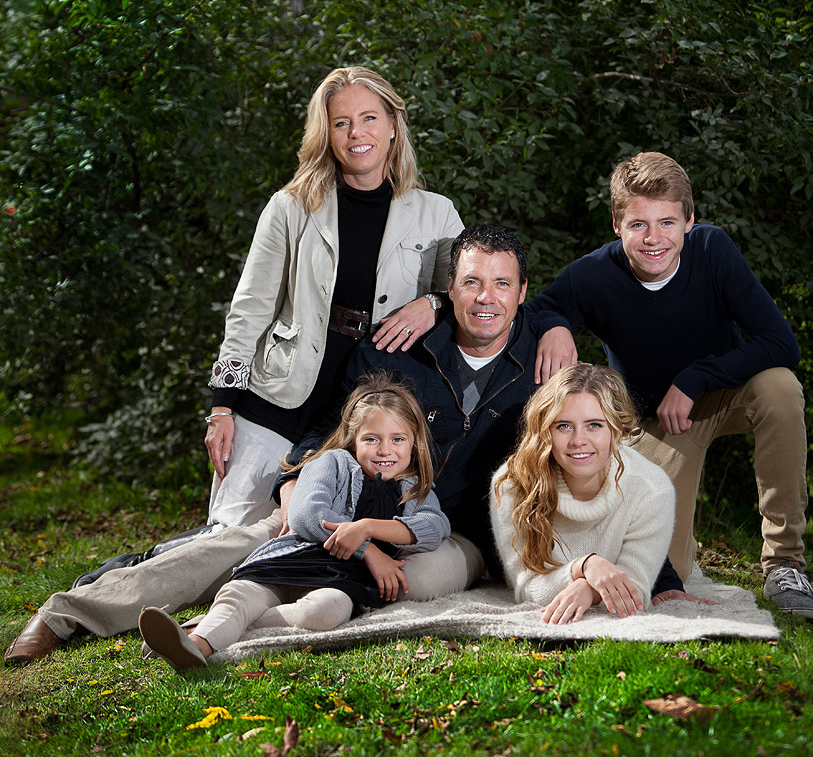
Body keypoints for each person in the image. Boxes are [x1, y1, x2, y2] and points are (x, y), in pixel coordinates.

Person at [2, 224, 678, 665]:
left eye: (501, 284)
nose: (485, 299)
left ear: (522, 293)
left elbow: (595, 458)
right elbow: (331, 422)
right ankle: (70, 616)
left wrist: (661, 575)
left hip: (454, 534)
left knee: (424, 579)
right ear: (448, 289)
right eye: (470, 282)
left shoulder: (544, 362)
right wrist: (300, 478)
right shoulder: (401, 346)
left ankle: (248, 623)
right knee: (244, 542)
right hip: (346, 502)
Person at [525, 151, 812, 619]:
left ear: (690, 222)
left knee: (780, 387)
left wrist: (697, 377)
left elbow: (781, 344)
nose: (654, 239)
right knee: (662, 572)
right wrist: (556, 324)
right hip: (660, 420)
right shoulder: (593, 274)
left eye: (668, 223)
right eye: (638, 224)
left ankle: (784, 562)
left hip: (726, 394)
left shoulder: (712, 250)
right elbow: (534, 310)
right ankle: (683, 545)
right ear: (617, 223)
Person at [205, 64, 462, 526]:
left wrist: (434, 303)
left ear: (392, 126)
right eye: (341, 123)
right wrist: (222, 407)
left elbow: (468, 296)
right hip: (281, 390)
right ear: (326, 135)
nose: (355, 133)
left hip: (366, 406)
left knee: (318, 530)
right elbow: (249, 309)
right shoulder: (290, 206)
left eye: (368, 118)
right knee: (234, 526)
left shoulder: (437, 213)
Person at [138, 375, 449, 671]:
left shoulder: (414, 487)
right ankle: (194, 647)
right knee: (244, 595)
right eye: (371, 439)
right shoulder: (332, 461)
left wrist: (365, 527)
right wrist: (369, 551)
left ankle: (211, 625)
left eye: (398, 439)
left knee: (328, 611)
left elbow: (435, 527)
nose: (385, 450)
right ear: (353, 440)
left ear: (414, 444)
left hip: (339, 580)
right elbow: (305, 515)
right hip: (288, 561)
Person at [490, 364, 675, 624]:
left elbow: (635, 595)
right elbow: (526, 588)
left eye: (594, 425)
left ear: (617, 429)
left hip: (649, 539)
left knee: (683, 570)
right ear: (545, 431)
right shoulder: (512, 484)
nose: (579, 440)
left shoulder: (652, 489)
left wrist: (587, 589)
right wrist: (584, 566)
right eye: (564, 426)